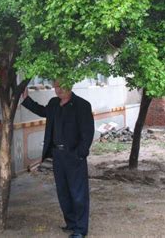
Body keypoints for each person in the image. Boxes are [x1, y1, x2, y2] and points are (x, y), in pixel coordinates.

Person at [22, 80, 95, 238]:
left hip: (74, 156)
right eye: (56, 86)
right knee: (63, 192)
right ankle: (71, 223)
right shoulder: (54, 103)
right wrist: (26, 99)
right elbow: (42, 111)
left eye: (62, 86)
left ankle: (81, 230)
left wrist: (80, 154)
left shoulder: (82, 105)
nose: (58, 89)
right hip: (57, 155)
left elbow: (87, 133)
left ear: (70, 85)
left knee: (78, 193)